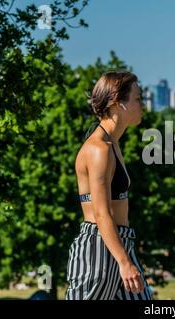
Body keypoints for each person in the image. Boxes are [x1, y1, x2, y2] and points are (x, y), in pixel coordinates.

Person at [66, 71, 152, 300]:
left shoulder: (112, 144)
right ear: (117, 103)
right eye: (138, 98)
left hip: (120, 244)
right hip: (98, 251)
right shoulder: (99, 149)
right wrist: (124, 262)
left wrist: (125, 257)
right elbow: (101, 212)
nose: (143, 104)